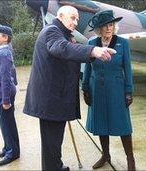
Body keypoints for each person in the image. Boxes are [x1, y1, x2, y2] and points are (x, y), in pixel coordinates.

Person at [23, 5, 115, 171]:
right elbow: (61, 48)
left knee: (54, 141)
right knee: (51, 142)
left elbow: (70, 53)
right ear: (60, 16)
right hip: (51, 101)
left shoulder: (63, 33)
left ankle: (56, 166)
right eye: (72, 18)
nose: (76, 22)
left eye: (77, 19)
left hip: (55, 99)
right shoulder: (51, 31)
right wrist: (93, 50)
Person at [82, 10, 136, 170]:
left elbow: (128, 68)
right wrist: (85, 88)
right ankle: (105, 155)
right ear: (99, 29)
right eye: (104, 26)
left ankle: (130, 160)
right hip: (96, 89)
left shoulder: (123, 43)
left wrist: (129, 91)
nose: (108, 28)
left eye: (111, 24)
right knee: (101, 123)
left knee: (123, 125)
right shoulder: (91, 42)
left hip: (117, 90)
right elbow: (88, 67)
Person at [0, 24, 20, 166]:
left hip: (3, 96)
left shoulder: (4, 53)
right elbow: (12, 72)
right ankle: (9, 148)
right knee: (5, 124)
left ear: (5, 38)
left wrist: (6, 100)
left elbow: (6, 78)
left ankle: (12, 152)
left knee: (7, 124)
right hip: (0, 94)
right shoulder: (1, 50)